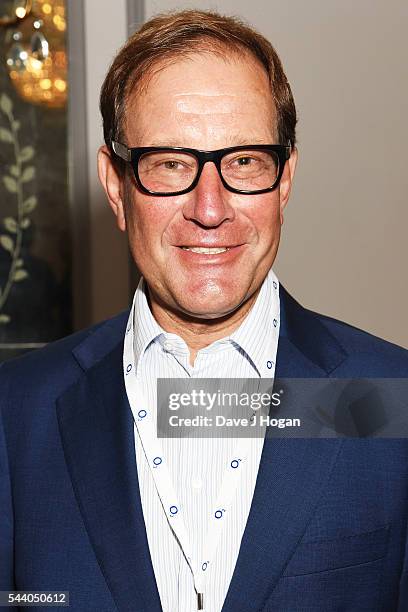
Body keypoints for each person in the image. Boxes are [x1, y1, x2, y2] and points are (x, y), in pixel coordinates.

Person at [1, 9, 408, 612]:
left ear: (285, 179)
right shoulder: (17, 412)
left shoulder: (388, 398)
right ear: (116, 186)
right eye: (170, 163)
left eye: (244, 161)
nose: (210, 208)